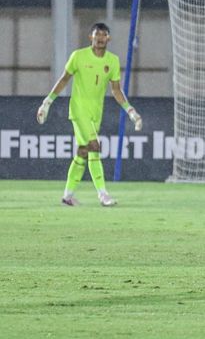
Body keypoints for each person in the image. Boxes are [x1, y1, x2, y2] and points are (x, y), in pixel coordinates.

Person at [36, 23, 142, 206]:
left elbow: (116, 90)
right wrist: (47, 102)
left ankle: (67, 196)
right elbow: (63, 80)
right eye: (97, 35)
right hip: (78, 110)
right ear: (90, 37)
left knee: (83, 153)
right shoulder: (78, 56)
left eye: (104, 35)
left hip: (95, 113)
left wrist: (131, 111)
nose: (100, 38)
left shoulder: (113, 61)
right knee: (94, 146)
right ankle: (103, 194)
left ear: (108, 38)